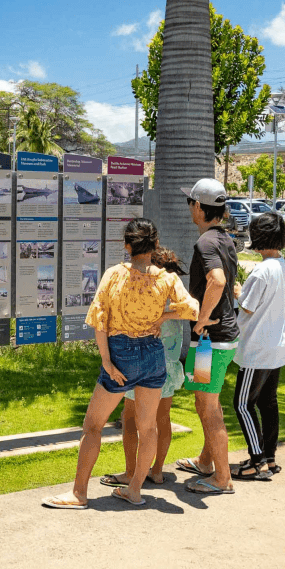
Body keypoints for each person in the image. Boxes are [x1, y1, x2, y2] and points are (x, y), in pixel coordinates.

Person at [43, 219, 199, 509]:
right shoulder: (167, 279)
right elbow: (192, 308)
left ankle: (78, 493)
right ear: (155, 245)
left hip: (121, 352)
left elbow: (99, 320)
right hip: (153, 353)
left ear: (127, 245)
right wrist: (164, 317)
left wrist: (107, 361)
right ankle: (135, 489)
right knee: (148, 426)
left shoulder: (115, 275)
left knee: (93, 425)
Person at [99, 247, 188, 489]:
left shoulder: (150, 291)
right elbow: (190, 308)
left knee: (130, 418)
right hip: (167, 365)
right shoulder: (174, 291)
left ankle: (131, 472)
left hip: (143, 361)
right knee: (162, 419)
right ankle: (157, 470)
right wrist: (167, 317)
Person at [176, 178, 239, 496]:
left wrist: (201, 321)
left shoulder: (205, 244)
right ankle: (205, 461)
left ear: (199, 207)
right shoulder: (225, 239)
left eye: (191, 202)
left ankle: (222, 478)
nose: (190, 207)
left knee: (210, 406)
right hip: (217, 340)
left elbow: (217, 280)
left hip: (211, 341)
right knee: (203, 401)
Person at [231, 213, 285, 481]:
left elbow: (247, 305)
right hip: (277, 346)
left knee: (243, 404)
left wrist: (236, 292)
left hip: (257, 349)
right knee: (269, 403)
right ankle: (269, 457)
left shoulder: (261, 270)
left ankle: (257, 462)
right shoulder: (283, 266)